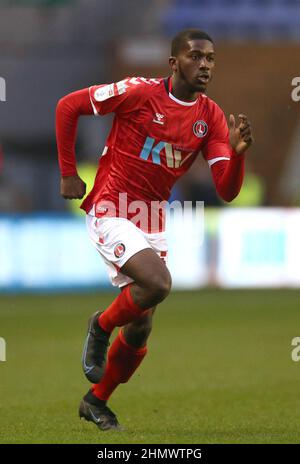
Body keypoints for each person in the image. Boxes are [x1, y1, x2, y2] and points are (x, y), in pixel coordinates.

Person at [56, 28, 254, 431]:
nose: (204, 65)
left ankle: (96, 401)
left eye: (210, 59)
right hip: (112, 206)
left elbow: (227, 190)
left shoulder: (210, 117)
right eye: (195, 56)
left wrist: (236, 156)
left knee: (143, 323)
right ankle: (100, 325)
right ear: (174, 62)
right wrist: (68, 174)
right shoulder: (139, 93)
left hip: (152, 219)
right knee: (159, 283)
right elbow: (67, 106)